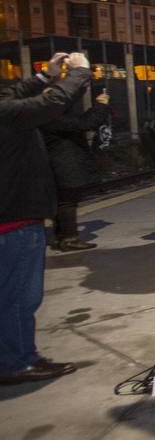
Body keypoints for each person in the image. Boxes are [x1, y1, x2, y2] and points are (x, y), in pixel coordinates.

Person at [1, 52, 90, 385]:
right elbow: (53, 103)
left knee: (11, 296)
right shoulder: (7, 115)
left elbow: (15, 96)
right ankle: (16, 361)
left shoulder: (6, 110)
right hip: (15, 220)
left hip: (12, 218)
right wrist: (80, 72)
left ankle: (14, 356)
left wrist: (44, 76)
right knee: (19, 298)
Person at [41, 79, 111, 251]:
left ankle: (60, 237)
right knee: (67, 201)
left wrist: (82, 88)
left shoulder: (46, 113)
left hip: (59, 162)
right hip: (64, 163)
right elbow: (85, 123)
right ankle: (69, 238)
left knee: (62, 201)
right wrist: (101, 106)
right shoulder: (51, 116)